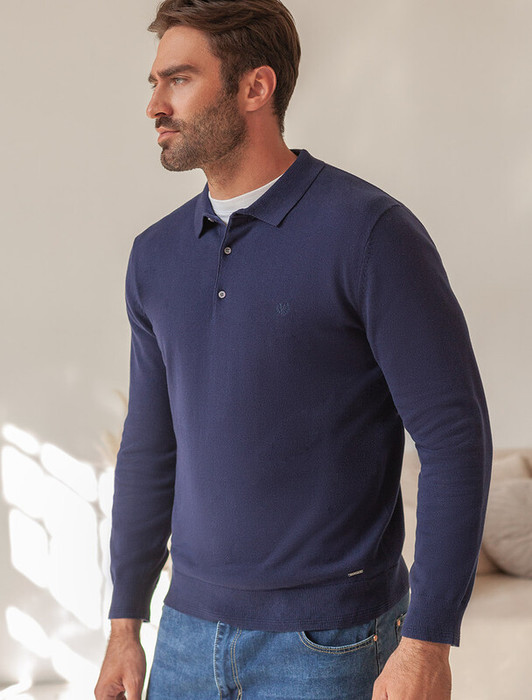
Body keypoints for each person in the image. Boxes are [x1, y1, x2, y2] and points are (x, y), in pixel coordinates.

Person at [95, 1, 492, 698]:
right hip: (184, 635)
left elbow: (455, 438)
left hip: (331, 642)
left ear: (255, 87)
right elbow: (150, 447)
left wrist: (428, 641)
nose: (155, 104)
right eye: (154, 82)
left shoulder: (370, 233)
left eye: (179, 79)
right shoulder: (153, 257)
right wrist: (124, 623)